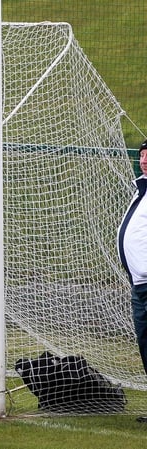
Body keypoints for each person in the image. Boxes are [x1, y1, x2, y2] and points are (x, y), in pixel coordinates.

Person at [117, 138, 147, 423]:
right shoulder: (140, 188)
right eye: (142, 155)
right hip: (139, 285)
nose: (145, 159)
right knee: (145, 342)